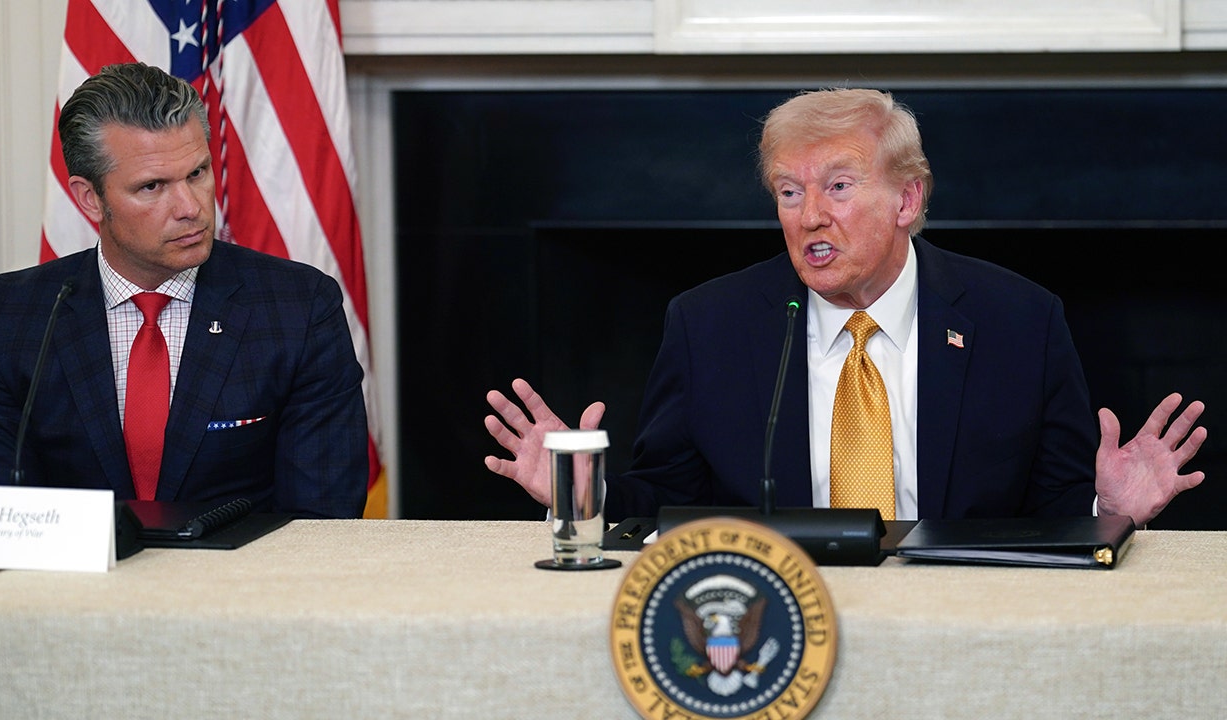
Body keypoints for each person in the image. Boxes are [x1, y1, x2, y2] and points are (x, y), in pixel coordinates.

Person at [483, 87, 1206, 528]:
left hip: (959, 620)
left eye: (837, 186)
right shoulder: (710, 326)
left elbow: (1053, 517)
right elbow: (671, 504)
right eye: (789, 192)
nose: (809, 217)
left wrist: (1107, 511)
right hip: (784, 621)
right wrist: (584, 498)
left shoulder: (1020, 321)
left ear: (907, 199)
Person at [0, 63, 367, 519]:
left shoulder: (298, 308)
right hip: (75, 568)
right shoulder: (13, 315)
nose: (191, 207)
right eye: (152, 186)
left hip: (247, 566)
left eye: (197, 173)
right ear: (90, 198)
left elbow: (323, 519)